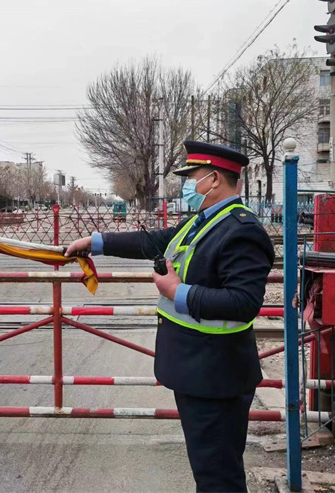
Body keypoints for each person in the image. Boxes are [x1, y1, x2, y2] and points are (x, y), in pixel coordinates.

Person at [65, 140, 275, 492]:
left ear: (213, 179)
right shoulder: (206, 220)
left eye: (191, 178)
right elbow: (156, 241)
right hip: (198, 372)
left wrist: (176, 291)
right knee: (209, 470)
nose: (186, 186)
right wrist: (97, 242)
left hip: (216, 378)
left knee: (218, 477)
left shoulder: (242, 230)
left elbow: (244, 302)